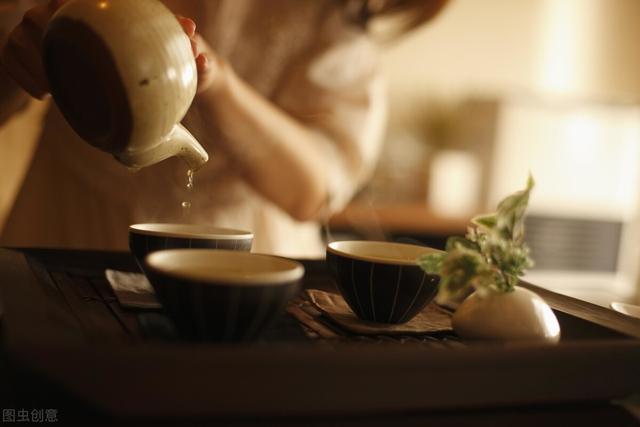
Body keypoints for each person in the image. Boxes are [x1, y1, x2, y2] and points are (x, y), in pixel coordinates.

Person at [0, 0, 447, 257]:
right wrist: (18, 58)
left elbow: (311, 190)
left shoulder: (336, 14)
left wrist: (218, 83)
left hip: (251, 253)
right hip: (69, 226)